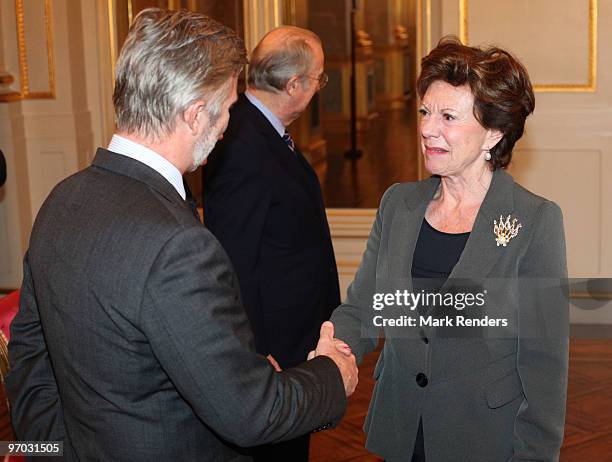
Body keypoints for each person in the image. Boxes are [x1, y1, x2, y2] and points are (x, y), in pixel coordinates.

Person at [6, 9, 358, 461]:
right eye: (229, 108)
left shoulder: (62, 199)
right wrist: (331, 373)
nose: (230, 124)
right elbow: (251, 415)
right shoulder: (178, 246)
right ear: (195, 116)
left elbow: (32, 364)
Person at [330, 36, 569, 461]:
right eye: (424, 112)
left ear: (493, 133)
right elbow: (365, 307)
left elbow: (544, 363)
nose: (426, 128)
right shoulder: (398, 204)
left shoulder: (535, 221)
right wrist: (336, 350)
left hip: (482, 435)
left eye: (447, 116)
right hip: (402, 427)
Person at [203, 26, 339, 461]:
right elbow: (233, 259)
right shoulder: (242, 142)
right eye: (319, 78)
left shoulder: (260, 128)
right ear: (294, 84)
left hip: (292, 340)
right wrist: (254, 355)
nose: (320, 87)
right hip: (273, 352)